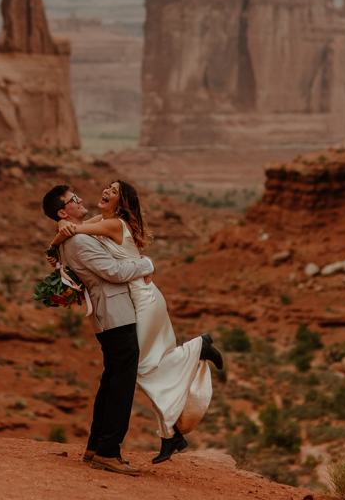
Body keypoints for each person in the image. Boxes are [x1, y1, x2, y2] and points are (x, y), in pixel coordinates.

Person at [51, 179, 224, 464]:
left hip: (140, 298)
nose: (106, 191)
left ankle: (195, 351)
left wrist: (60, 233)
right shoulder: (103, 221)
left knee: (139, 369)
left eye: (115, 191)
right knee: (136, 369)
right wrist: (59, 230)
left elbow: (78, 231)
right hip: (131, 298)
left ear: (122, 203)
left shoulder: (113, 224)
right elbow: (77, 230)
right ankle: (170, 433)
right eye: (108, 187)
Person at [42, 183, 154, 476]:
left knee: (111, 381)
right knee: (121, 385)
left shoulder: (72, 235)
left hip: (109, 314)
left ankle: (96, 447)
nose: (81, 201)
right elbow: (114, 273)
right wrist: (145, 264)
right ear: (62, 211)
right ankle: (108, 451)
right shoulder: (77, 241)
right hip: (115, 314)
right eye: (73, 200)